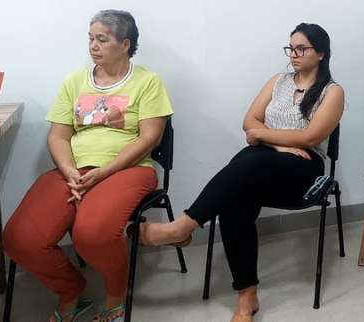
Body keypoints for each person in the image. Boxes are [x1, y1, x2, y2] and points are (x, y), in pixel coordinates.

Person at [139, 23, 344, 322]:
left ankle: (182, 227)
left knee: (248, 162)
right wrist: (276, 144)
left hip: (305, 168)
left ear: (322, 53)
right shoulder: (278, 81)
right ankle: (247, 297)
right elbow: (249, 121)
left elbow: (309, 137)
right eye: (290, 48)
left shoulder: (332, 92)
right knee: (237, 197)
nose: (294, 54)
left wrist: (262, 136)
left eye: (302, 49)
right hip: (267, 159)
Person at [3, 10, 172, 322]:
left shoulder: (148, 82)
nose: (93, 46)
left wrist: (105, 171)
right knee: (19, 238)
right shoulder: (75, 82)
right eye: (91, 38)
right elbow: (58, 135)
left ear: (125, 44)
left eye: (102, 39)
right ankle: (71, 290)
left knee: (93, 234)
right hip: (74, 170)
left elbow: (150, 137)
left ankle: (116, 292)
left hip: (129, 169)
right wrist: (69, 170)